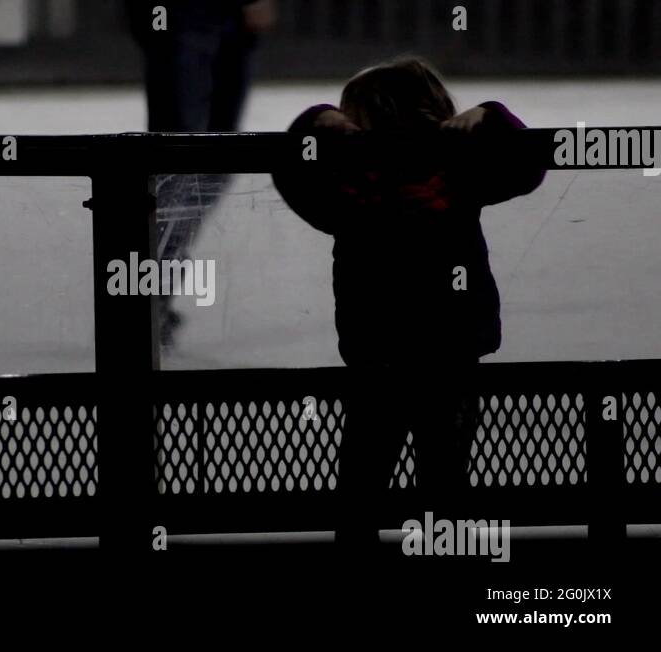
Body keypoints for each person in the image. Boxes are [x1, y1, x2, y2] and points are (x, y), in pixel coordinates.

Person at [272, 58, 546, 553]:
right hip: (454, 346)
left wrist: (314, 119)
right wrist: (492, 114)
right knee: (444, 475)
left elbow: (290, 169)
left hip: (375, 347)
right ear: (438, 107)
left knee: (362, 474)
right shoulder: (458, 169)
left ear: (356, 117)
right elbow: (529, 163)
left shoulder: (348, 188)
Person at [127, 0, 277, 346]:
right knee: (178, 161)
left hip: (214, 19)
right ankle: (151, 292)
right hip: (187, 16)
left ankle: (153, 289)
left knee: (205, 160)